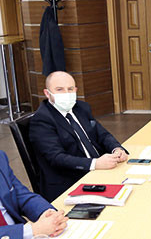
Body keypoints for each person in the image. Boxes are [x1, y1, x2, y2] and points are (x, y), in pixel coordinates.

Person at [30, 71, 128, 201]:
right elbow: (56, 158)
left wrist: (116, 149)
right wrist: (95, 164)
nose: (66, 93)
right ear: (47, 93)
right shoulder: (42, 119)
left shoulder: (81, 108)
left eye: (70, 89)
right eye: (59, 89)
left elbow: (102, 135)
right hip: (69, 181)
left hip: (99, 171)